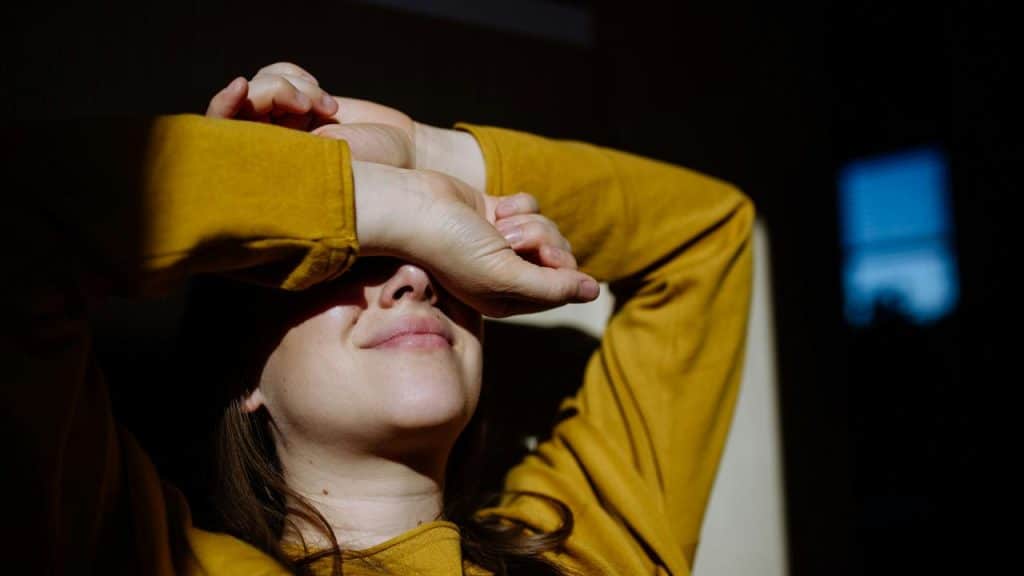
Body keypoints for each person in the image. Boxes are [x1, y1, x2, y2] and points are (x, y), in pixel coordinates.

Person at [3, 62, 754, 575]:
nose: (415, 276)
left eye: (442, 257)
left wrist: (426, 156)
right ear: (244, 376)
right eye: (346, 261)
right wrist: (377, 202)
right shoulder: (141, 555)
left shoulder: (588, 554)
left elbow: (706, 233)